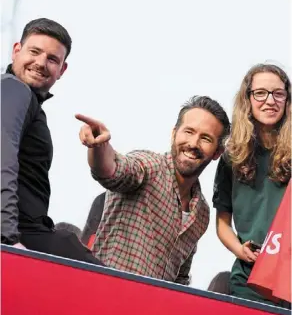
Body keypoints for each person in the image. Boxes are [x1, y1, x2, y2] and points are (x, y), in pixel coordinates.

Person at [76, 95, 230, 284]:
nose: (193, 143)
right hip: (106, 294)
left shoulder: (201, 214)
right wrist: (99, 146)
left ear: (217, 152)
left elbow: (180, 279)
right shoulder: (149, 167)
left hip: (153, 310)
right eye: (188, 132)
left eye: (205, 138)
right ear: (174, 134)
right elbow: (112, 171)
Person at [1, 18, 103, 266]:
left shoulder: (28, 101)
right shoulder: (14, 89)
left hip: (27, 229)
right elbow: (2, 155)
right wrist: (7, 239)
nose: (40, 63)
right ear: (17, 50)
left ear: (62, 69)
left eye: (52, 59)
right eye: (34, 52)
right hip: (20, 231)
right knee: (115, 286)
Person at [213, 63, 291, 307]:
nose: (270, 101)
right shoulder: (231, 157)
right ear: (247, 98)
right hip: (250, 277)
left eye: (278, 93)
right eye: (261, 93)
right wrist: (239, 249)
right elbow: (223, 221)